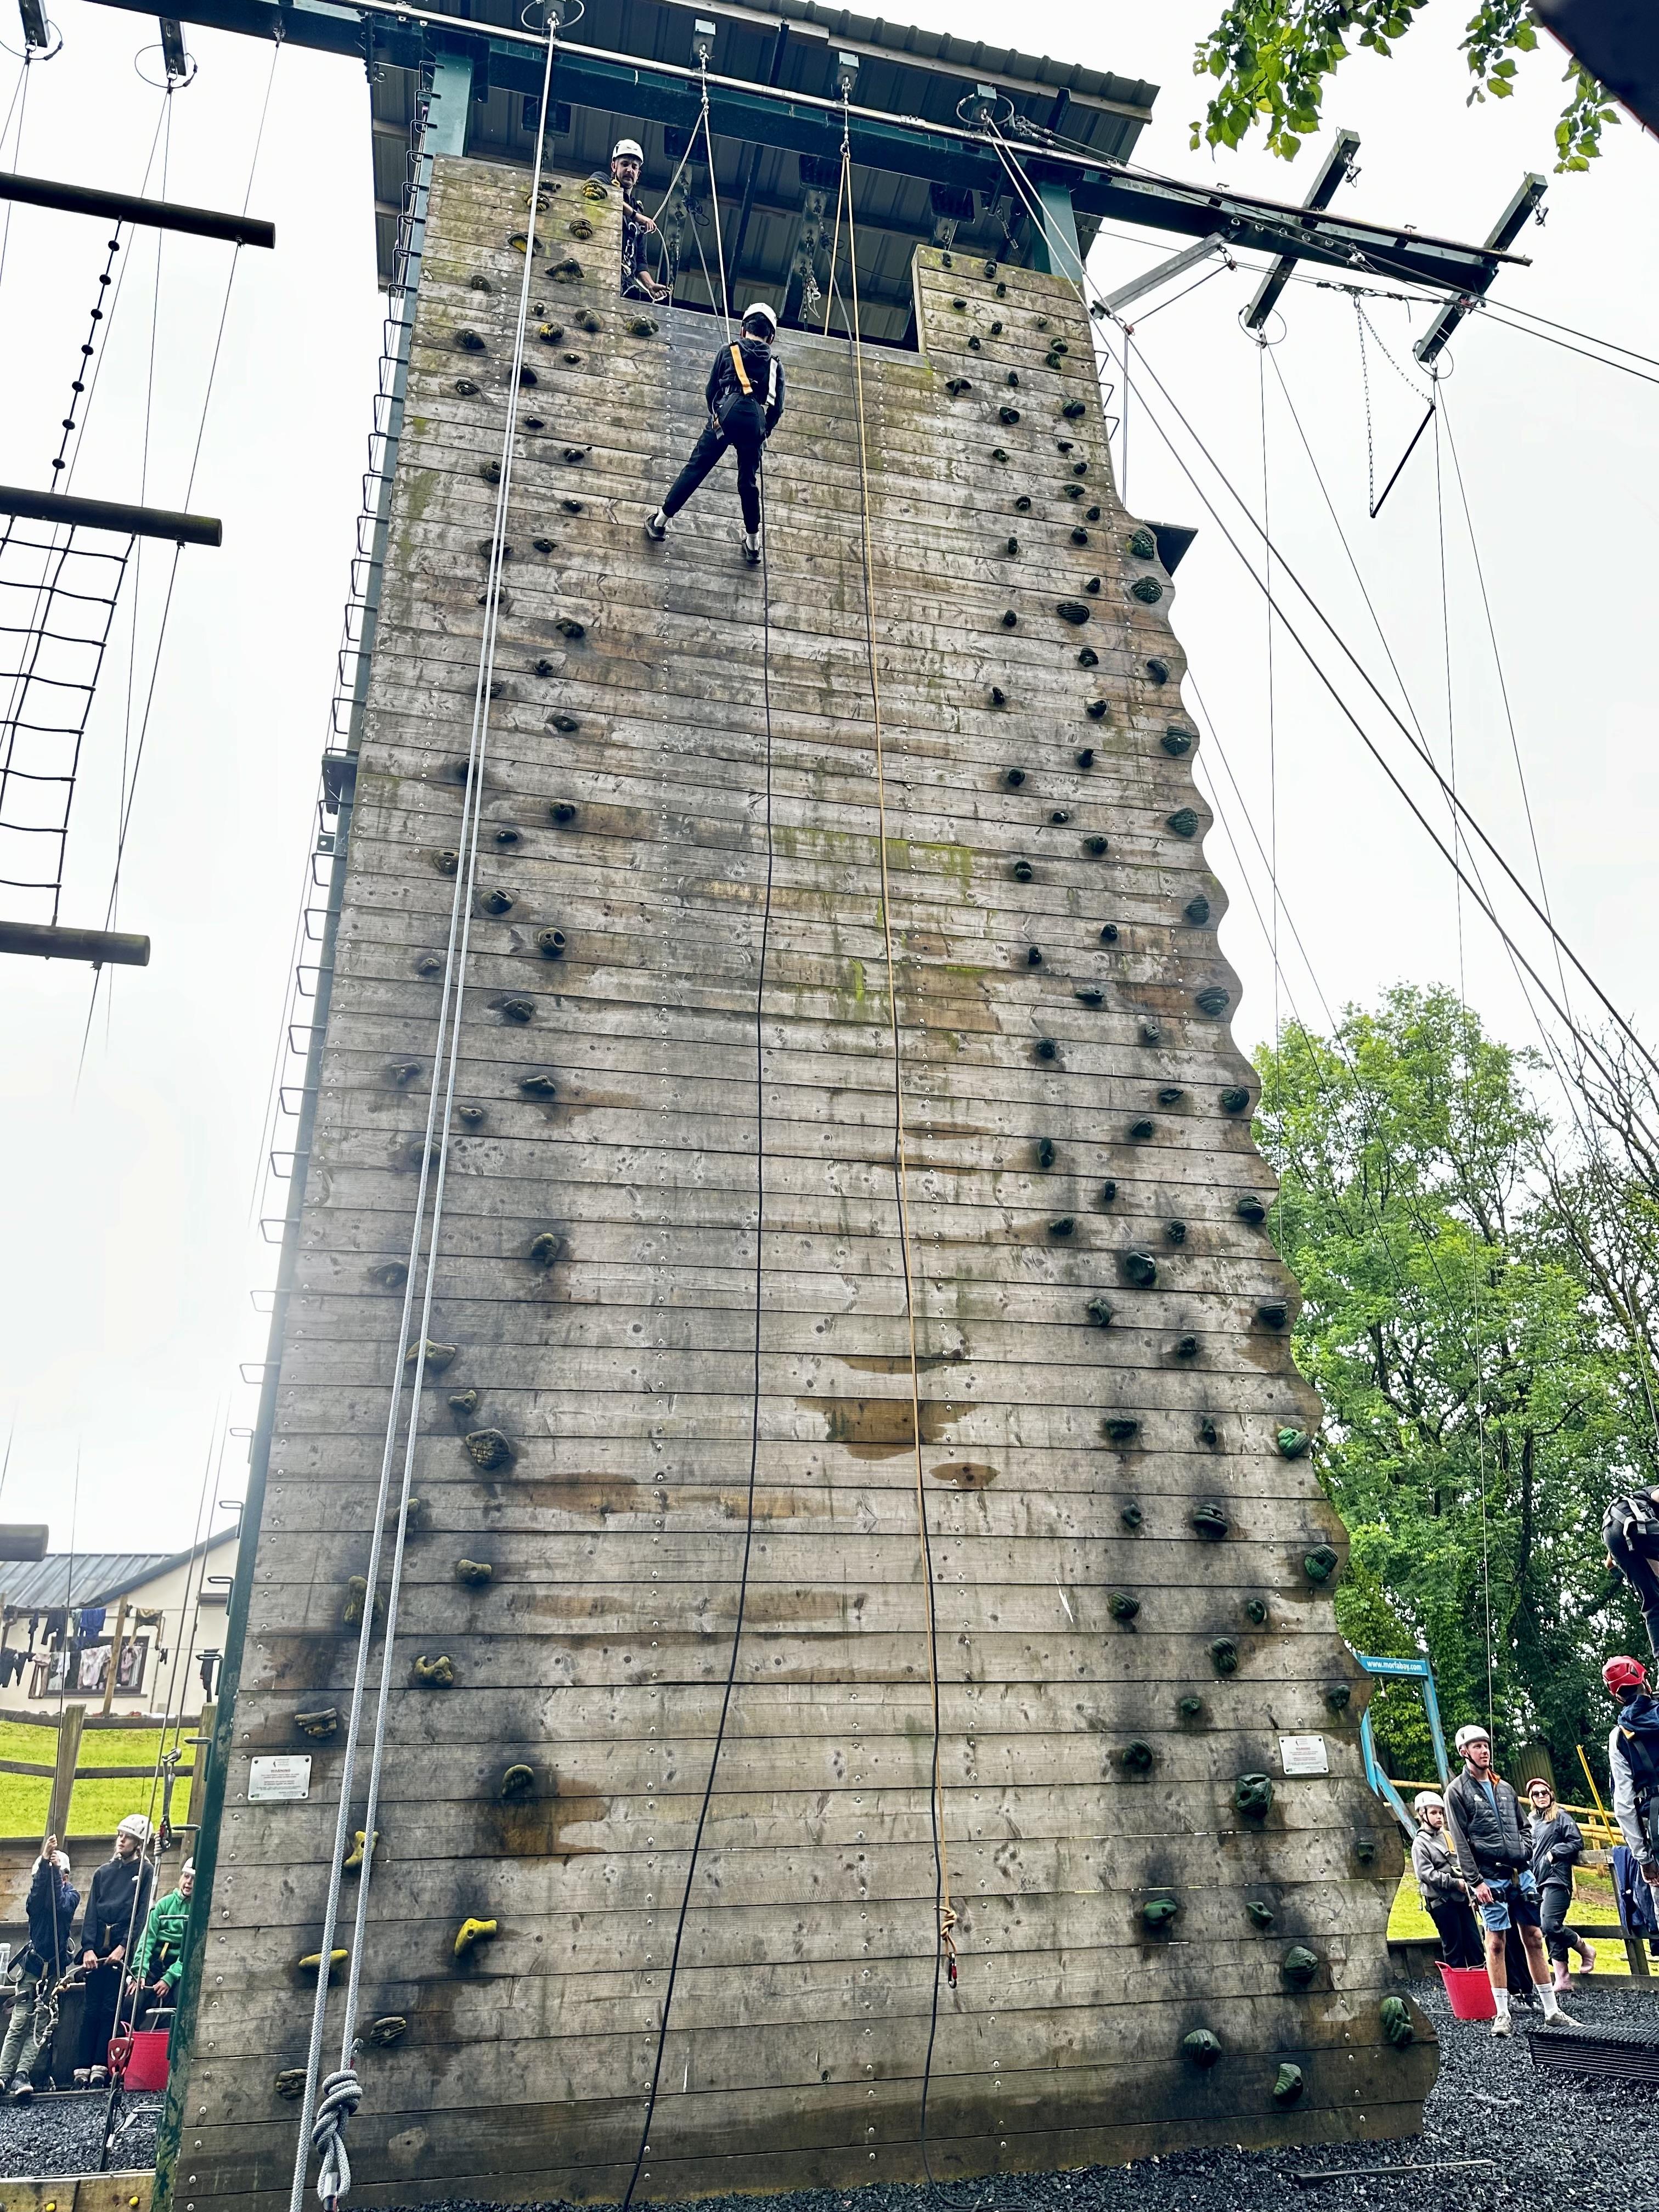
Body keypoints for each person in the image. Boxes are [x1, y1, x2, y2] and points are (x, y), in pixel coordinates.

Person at [1443, 1721, 1576, 2035]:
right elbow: (1460, 1841)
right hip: (1488, 1876)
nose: (1484, 1750)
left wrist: (1525, 1850)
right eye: (1477, 1746)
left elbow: (1525, 1827)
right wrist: (1476, 1882)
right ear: (1464, 1752)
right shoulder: (1456, 1792)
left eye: (1486, 1745)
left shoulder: (1504, 1788)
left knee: (1534, 1937)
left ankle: (1552, 2010)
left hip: (1521, 1873)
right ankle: (1502, 2014)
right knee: (1496, 1943)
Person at [644, 303, 785, 566]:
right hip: (755, 422)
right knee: (748, 483)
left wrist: (718, 416)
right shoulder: (776, 365)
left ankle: (660, 522)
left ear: (743, 330)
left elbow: (711, 391)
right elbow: (777, 408)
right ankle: (753, 544)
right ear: (771, 337)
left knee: (697, 467)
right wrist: (763, 431)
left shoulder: (728, 350)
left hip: (727, 413)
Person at [74, 1812, 153, 2089]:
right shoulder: (103, 1873)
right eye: (120, 1835)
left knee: (111, 2009)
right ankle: (81, 2067)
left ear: (139, 1843)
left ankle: (100, 2066)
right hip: (98, 1950)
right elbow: (91, 1913)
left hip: (120, 1949)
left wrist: (124, 1947)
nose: (121, 1841)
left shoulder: (145, 1872)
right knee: (90, 2009)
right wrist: (88, 1948)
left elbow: (141, 1915)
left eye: (128, 1837)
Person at [1, 1835, 77, 2100]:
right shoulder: (35, 1901)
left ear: (64, 1877)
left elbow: (59, 1905)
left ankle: (22, 2074)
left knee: (40, 2023)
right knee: (20, 2022)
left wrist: (52, 1870)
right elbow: (40, 1897)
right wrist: (46, 1863)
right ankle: (3, 2074)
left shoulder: (72, 1897)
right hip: (33, 1968)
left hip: (53, 1972)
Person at [1525, 1777, 1595, 1989]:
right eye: (1536, 1794)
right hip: (1538, 1881)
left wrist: (1555, 1853)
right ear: (1531, 1799)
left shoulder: (1561, 1816)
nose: (1541, 1797)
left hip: (1557, 1878)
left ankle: (1585, 1949)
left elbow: (1576, 1841)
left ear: (1551, 1794)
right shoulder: (1531, 1821)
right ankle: (1562, 1979)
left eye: (1544, 1792)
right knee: (1548, 1927)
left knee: (1549, 1924)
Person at [1605, 1654, 1659, 1919]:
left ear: (1617, 1697)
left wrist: (1644, 1859)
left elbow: (1624, 1806)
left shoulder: (1619, 1738)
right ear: (1645, 1681)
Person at [1410, 1791, 1483, 1967]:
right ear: (1422, 1814)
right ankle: (1459, 1983)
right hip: (1441, 1902)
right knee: (1454, 1949)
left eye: (1441, 1813)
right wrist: (1455, 1883)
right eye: (1434, 1813)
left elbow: (1463, 1864)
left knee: (1476, 1945)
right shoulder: (1420, 1844)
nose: (1439, 1817)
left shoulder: (1449, 1837)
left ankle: (1479, 1981)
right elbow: (1427, 1874)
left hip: (1463, 1898)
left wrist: (1471, 1890)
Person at [589, 138, 667, 302]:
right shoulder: (601, 180)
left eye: (634, 167)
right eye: (625, 164)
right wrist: (636, 216)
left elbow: (640, 262)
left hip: (625, 283)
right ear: (614, 166)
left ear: (638, 175)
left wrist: (650, 286)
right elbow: (604, 195)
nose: (630, 170)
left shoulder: (638, 214)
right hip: (598, 270)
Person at [129, 1858, 194, 2036]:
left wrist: (170, 1978)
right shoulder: (164, 1905)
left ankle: (168, 2039)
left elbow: (190, 1951)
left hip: (178, 1967)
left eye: (194, 1879)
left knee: (180, 2000)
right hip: (155, 1963)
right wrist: (140, 1972)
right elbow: (147, 1939)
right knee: (132, 2000)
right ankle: (130, 2038)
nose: (189, 1882)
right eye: (186, 1876)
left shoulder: (196, 1911)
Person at [1605, 1487, 1659, 1658]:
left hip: (1611, 1534)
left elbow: (1609, 1563)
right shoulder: (1650, 1492)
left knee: (1653, 1601)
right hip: (1633, 1518)